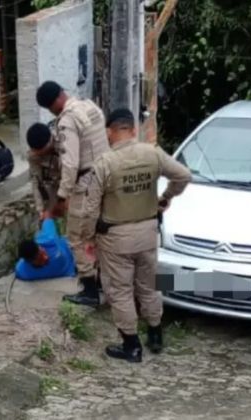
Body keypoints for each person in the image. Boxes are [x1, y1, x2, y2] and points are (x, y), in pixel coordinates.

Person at [85, 108, 191, 363]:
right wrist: (165, 198)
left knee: (120, 290)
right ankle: (155, 334)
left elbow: (89, 208)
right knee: (150, 285)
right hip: (147, 232)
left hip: (116, 237)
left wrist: (88, 238)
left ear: (110, 132)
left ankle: (131, 345)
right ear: (133, 129)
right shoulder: (152, 153)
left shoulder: (105, 163)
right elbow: (183, 175)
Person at [35, 81, 110, 307]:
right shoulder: (89, 106)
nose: (52, 112)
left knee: (77, 236)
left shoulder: (67, 121)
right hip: (105, 176)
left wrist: (61, 196)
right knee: (98, 234)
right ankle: (102, 283)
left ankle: (89, 291)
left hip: (86, 183)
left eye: (50, 108)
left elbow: (70, 164)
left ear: (55, 101)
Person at [26, 122, 61, 221]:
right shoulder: (33, 155)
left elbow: (71, 176)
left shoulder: (62, 146)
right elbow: (36, 181)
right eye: (35, 151)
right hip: (52, 183)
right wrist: (40, 210)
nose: (37, 154)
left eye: (41, 152)